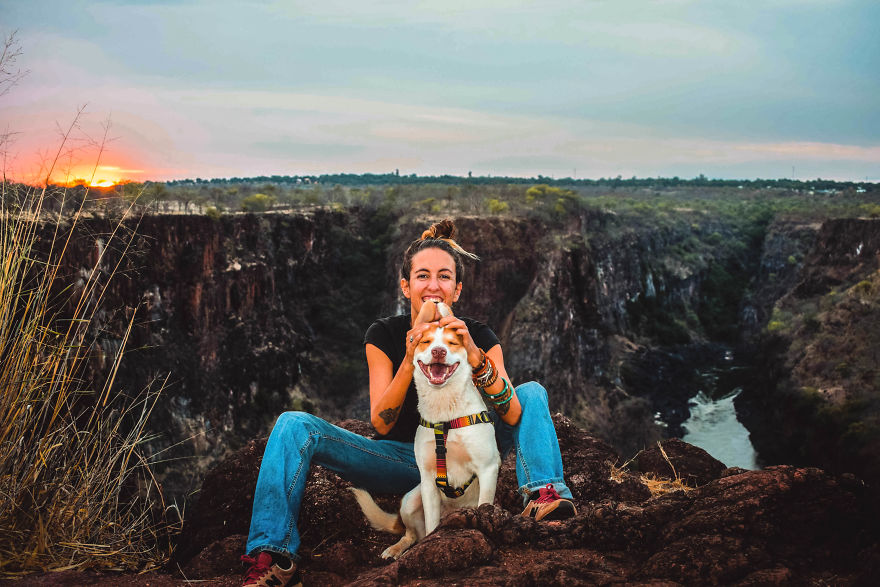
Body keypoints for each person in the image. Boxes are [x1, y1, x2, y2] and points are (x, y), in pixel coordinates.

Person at [241, 219, 576, 587]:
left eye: (445, 277)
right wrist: (411, 350)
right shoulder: (383, 334)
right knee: (293, 423)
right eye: (423, 276)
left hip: (471, 450)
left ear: (457, 289)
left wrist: (476, 357)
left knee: (530, 392)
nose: (434, 286)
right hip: (402, 459)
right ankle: (272, 554)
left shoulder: (477, 335)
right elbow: (381, 423)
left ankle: (544, 495)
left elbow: (513, 412)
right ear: (406, 286)